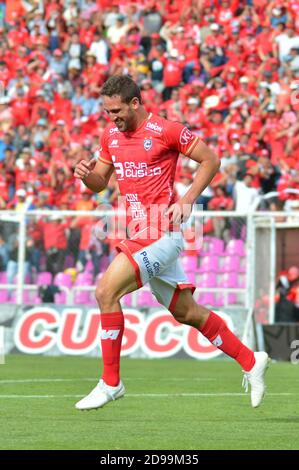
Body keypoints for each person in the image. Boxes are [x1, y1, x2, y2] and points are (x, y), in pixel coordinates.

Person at [74, 75, 269, 411]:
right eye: (108, 112)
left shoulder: (166, 130)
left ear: (135, 103)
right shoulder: (111, 136)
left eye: (117, 110)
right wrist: (85, 175)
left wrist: (189, 199)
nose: (113, 117)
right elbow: (99, 184)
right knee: (187, 313)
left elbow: (210, 159)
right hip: (139, 233)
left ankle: (111, 383)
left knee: (106, 292)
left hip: (163, 232)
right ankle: (252, 361)